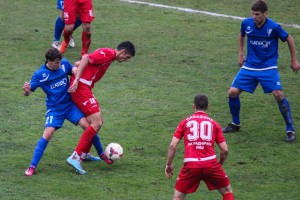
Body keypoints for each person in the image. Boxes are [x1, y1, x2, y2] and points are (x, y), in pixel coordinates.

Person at [222, 0, 300, 142]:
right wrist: (240, 54)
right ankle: (235, 124)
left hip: (268, 67)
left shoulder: (273, 27)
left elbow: (289, 39)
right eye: (252, 14)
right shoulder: (246, 23)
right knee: (232, 92)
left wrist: (294, 60)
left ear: (265, 14)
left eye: (257, 14)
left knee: (278, 94)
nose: (254, 17)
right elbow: (241, 34)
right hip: (250, 66)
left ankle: (290, 129)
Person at [23, 48, 105, 176]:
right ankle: (32, 166)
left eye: (60, 62)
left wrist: (73, 70)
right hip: (55, 109)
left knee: (88, 126)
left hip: (70, 105)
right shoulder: (40, 74)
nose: (59, 65)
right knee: (48, 133)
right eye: (56, 63)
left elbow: (73, 70)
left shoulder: (64, 64)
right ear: (49, 61)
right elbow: (28, 92)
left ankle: (101, 154)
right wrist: (26, 90)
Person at [65, 41, 135, 173]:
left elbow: (84, 61)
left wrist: (77, 66)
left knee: (98, 122)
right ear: (123, 52)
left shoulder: (109, 56)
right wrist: (78, 79)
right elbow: (86, 57)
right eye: (127, 58)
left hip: (85, 88)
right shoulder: (108, 54)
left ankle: (84, 154)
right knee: (96, 122)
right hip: (81, 88)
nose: (125, 60)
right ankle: (75, 157)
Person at [165, 94, 234, 200]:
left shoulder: (185, 122)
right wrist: (219, 165)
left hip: (191, 165)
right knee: (227, 192)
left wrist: (169, 164)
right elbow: (224, 150)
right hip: (210, 164)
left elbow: (172, 145)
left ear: (193, 106)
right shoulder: (214, 124)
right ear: (208, 107)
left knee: (178, 197)